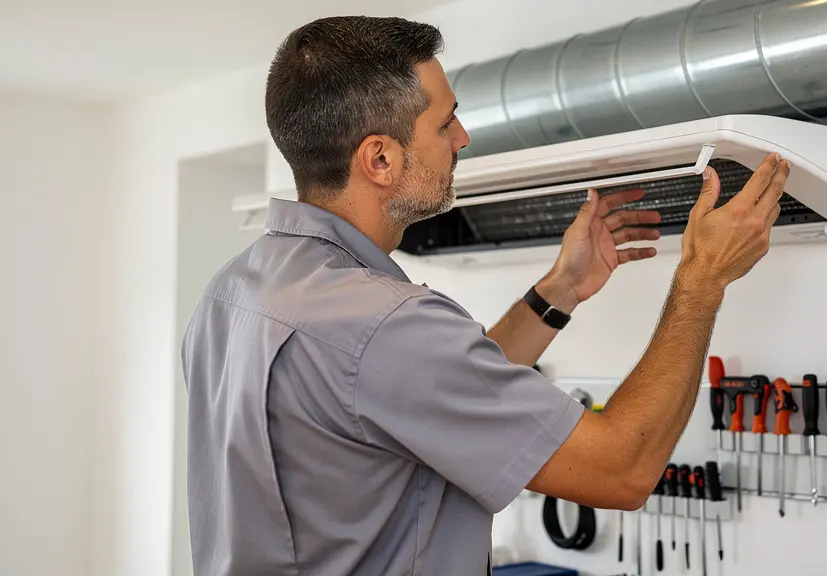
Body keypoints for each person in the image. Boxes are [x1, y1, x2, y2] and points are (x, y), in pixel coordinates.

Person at [180, 15, 791, 576]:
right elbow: (623, 469)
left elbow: (402, 392)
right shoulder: (386, 326)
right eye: (445, 122)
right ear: (381, 157)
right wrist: (700, 280)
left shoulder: (232, 293)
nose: (463, 137)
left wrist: (561, 291)